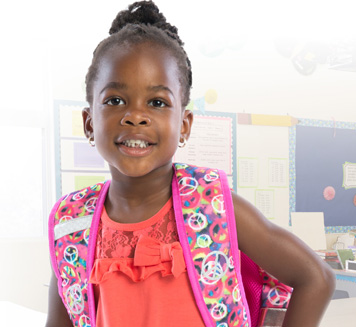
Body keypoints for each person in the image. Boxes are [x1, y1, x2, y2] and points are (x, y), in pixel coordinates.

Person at [46, 1, 335, 326]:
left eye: (157, 102)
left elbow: (316, 278)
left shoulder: (214, 206)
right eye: (115, 100)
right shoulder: (72, 225)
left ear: (184, 125)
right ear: (88, 123)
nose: (135, 116)